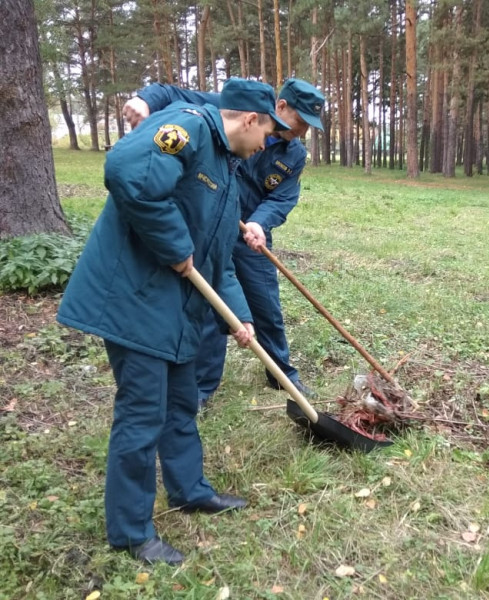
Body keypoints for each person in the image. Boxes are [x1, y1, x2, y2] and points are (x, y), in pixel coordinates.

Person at [57, 78, 290, 565]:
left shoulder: (226, 170)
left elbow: (219, 261)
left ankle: (189, 490)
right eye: (267, 133)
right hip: (136, 299)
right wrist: (175, 246)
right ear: (249, 120)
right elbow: (127, 173)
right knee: (142, 415)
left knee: (181, 404)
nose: (267, 144)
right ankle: (130, 533)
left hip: (179, 308)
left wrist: (239, 320)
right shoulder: (185, 128)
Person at [123, 78, 326, 406]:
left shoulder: (294, 155)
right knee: (210, 306)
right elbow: (174, 94)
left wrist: (260, 223)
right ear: (281, 106)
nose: (302, 130)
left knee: (265, 305)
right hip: (207, 225)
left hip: (250, 236)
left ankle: (281, 374)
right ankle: (200, 391)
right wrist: (144, 100)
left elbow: (282, 198)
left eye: (309, 125)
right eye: (300, 121)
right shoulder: (232, 109)